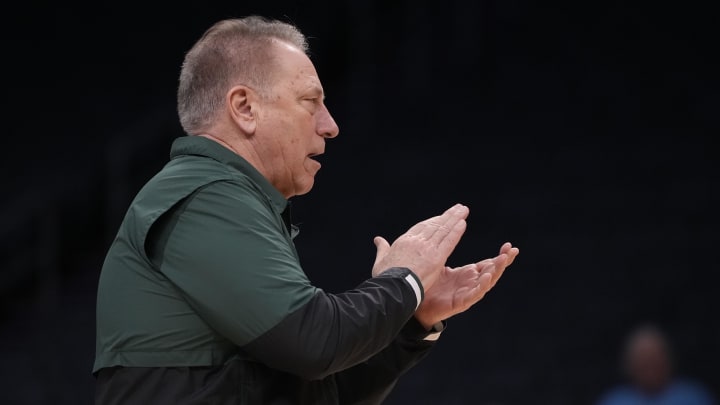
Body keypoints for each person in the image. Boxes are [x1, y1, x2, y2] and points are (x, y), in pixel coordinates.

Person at [92, 15, 519, 404]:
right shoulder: (205, 194)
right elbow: (315, 345)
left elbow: (317, 391)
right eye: (309, 101)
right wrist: (404, 281)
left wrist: (412, 319)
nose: (330, 124)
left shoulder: (221, 199)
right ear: (244, 108)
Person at [595, 323, 716, 405]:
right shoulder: (615, 401)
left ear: (668, 361)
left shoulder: (693, 397)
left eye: (654, 360)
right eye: (643, 363)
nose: (649, 369)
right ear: (629, 367)